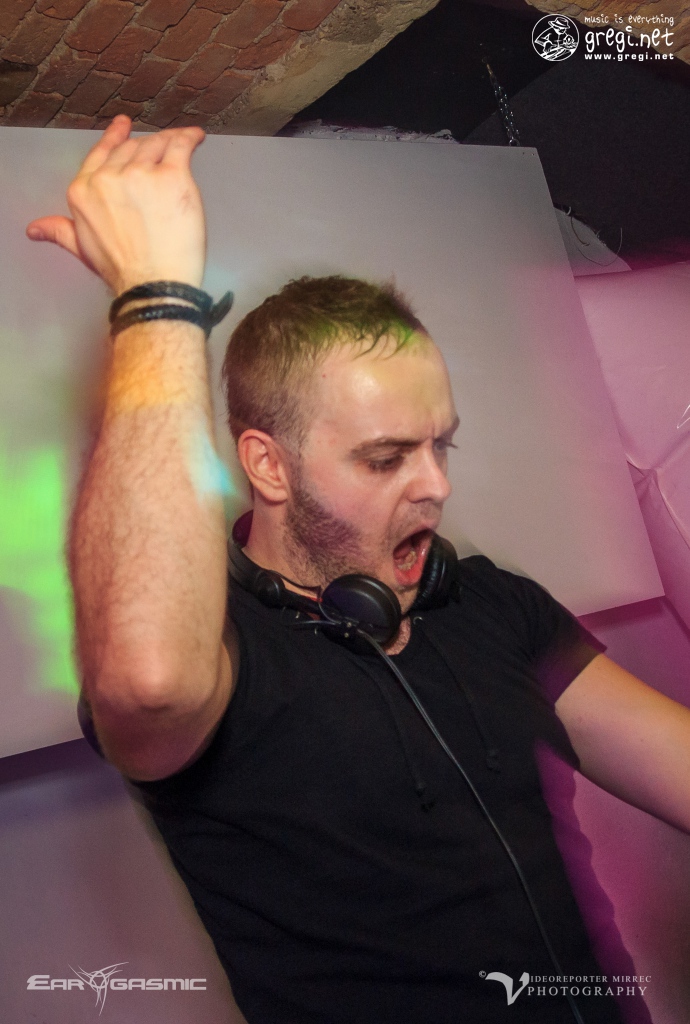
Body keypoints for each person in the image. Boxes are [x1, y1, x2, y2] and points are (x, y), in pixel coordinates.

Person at [28, 116, 689, 1024]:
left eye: (440, 446)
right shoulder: (226, 661)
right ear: (268, 466)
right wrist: (157, 300)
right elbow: (148, 682)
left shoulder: (489, 601)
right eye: (386, 458)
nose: (436, 486)